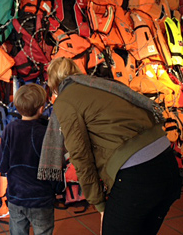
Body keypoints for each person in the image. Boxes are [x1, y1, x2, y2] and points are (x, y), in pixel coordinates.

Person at [38, 57, 181, 235]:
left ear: (53, 83)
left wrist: (99, 204)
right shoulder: (101, 84)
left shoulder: (66, 100)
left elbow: (81, 155)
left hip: (137, 176)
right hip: (168, 165)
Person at [0, 83, 55, 235]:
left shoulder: (10, 129)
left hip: (16, 196)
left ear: (17, 106)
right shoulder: (46, 131)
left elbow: (1, 165)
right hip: (42, 198)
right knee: (44, 231)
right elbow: (55, 167)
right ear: (42, 108)